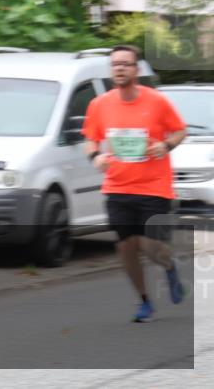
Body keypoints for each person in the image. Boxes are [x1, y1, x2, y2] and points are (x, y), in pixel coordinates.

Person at [82, 45, 188, 323]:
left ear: (136, 70)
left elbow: (180, 130)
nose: (120, 68)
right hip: (117, 186)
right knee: (125, 246)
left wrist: (165, 145)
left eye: (126, 64)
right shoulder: (100, 104)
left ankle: (169, 264)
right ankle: (144, 302)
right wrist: (96, 156)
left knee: (147, 244)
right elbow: (89, 138)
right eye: (115, 64)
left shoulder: (157, 102)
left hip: (154, 185)